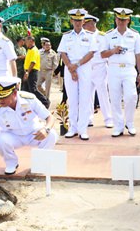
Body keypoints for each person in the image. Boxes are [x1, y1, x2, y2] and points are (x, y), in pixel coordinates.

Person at [0, 76, 57, 180]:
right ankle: (11, 163)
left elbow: (50, 117)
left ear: (14, 93)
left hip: (33, 134)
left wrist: (46, 129)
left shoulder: (29, 99)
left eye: (4, 97)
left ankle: (41, 164)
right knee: (0, 139)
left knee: (51, 134)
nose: (0, 100)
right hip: (13, 136)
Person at [101, 8, 140, 137]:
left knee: (131, 96)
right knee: (114, 98)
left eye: (124, 19)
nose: (121, 22)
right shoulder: (108, 35)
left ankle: (130, 123)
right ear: (115, 19)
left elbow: (139, 55)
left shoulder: (134, 35)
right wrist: (113, 50)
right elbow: (103, 54)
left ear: (128, 20)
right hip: (113, 69)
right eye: (119, 19)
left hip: (129, 69)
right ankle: (118, 125)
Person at [57, 8, 97, 140]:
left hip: (84, 67)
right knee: (72, 99)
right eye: (75, 20)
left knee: (85, 99)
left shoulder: (90, 36)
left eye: (80, 20)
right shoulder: (66, 36)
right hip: (69, 69)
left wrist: (77, 65)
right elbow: (62, 53)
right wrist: (70, 68)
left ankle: (83, 129)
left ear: (84, 21)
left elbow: (91, 53)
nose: (78, 23)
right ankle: (72, 127)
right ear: (71, 21)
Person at [83, 14, 113, 128]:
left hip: (100, 66)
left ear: (92, 23)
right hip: (87, 67)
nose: (84, 26)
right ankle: (89, 118)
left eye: (85, 24)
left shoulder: (102, 36)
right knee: (87, 94)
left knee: (103, 93)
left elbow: (104, 53)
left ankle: (108, 119)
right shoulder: (84, 36)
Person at [23, 36, 50, 108]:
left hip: (32, 71)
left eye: (26, 41)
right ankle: (28, 105)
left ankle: (45, 102)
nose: (25, 43)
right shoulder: (29, 50)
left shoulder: (34, 50)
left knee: (33, 89)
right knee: (26, 89)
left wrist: (27, 72)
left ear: (31, 41)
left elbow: (33, 62)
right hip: (28, 71)